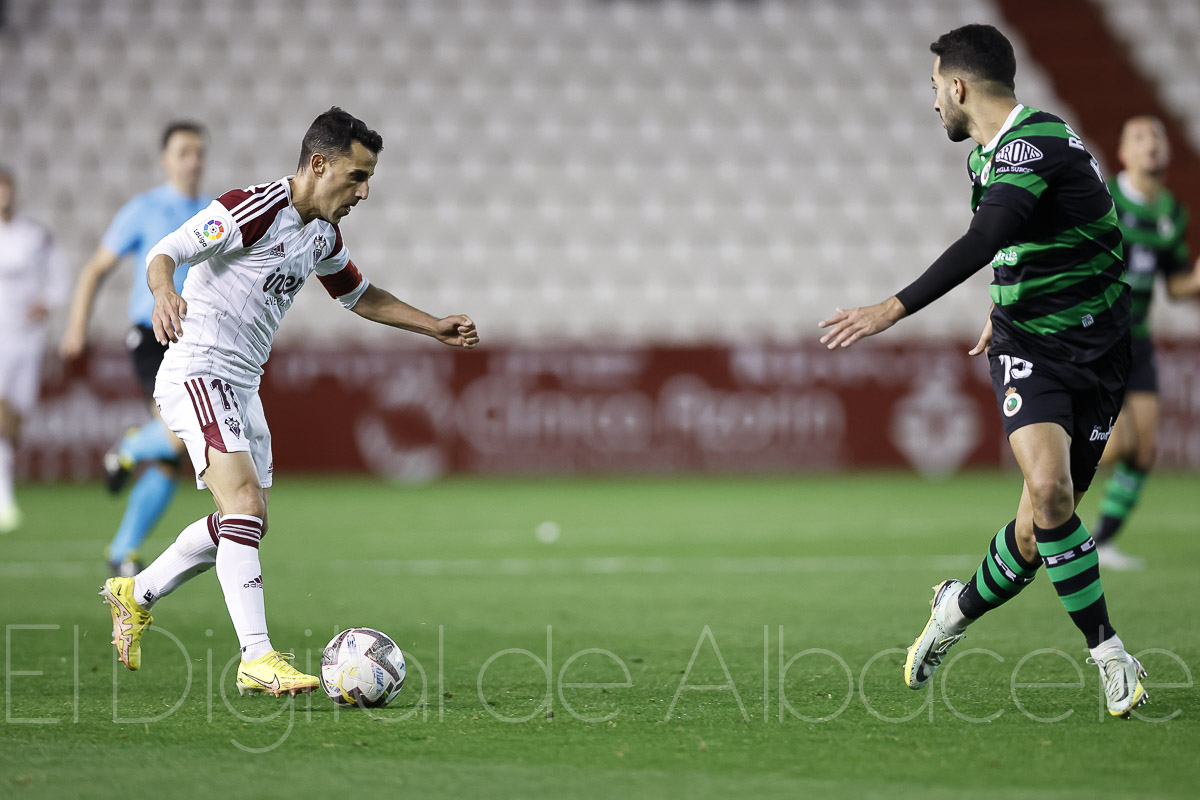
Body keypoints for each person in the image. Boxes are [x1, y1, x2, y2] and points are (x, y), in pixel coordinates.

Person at [818, 24, 1147, 718]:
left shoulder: (1036, 145)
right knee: (1052, 492)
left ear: (959, 86)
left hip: (1102, 353)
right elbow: (1025, 245)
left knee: (1035, 535)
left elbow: (989, 236)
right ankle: (1110, 656)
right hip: (1031, 348)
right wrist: (1004, 309)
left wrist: (892, 308)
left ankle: (953, 610)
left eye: (935, 87)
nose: (933, 101)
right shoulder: (989, 160)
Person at [100, 107, 479, 696]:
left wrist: (432, 326)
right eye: (356, 176)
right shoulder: (251, 209)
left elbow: (358, 294)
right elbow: (165, 251)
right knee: (245, 505)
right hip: (198, 369)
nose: (365, 191)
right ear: (319, 163)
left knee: (245, 521)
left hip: (243, 384)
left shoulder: (322, 233)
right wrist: (162, 293)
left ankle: (136, 592)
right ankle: (257, 657)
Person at [59, 121, 211, 576]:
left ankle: (123, 550)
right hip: (152, 333)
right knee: (177, 436)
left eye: (199, 152)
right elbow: (95, 269)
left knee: (171, 457)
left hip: (196, 337)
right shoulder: (143, 209)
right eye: (183, 152)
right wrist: (76, 327)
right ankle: (127, 449)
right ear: (165, 159)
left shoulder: (212, 212)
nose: (193, 160)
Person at [1089, 116, 1200, 571]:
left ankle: (1102, 542)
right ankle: (1050, 472)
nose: (1150, 144)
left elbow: (1174, 286)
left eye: (1157, 136)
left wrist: (1195, 281)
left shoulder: (1172, 213)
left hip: (1138, 339)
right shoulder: (1104, 199)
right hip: (1096, 338)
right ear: (1123, 153)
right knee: (1115, 448)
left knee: (1146, 449)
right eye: (1139, 137)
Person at [0, 167, 70, 532]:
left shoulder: (35, 235)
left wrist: (47, 302)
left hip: (26, 341)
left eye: (6, 188)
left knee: (15, 418)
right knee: (2, 414)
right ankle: (4, 496)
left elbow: (60, 278)